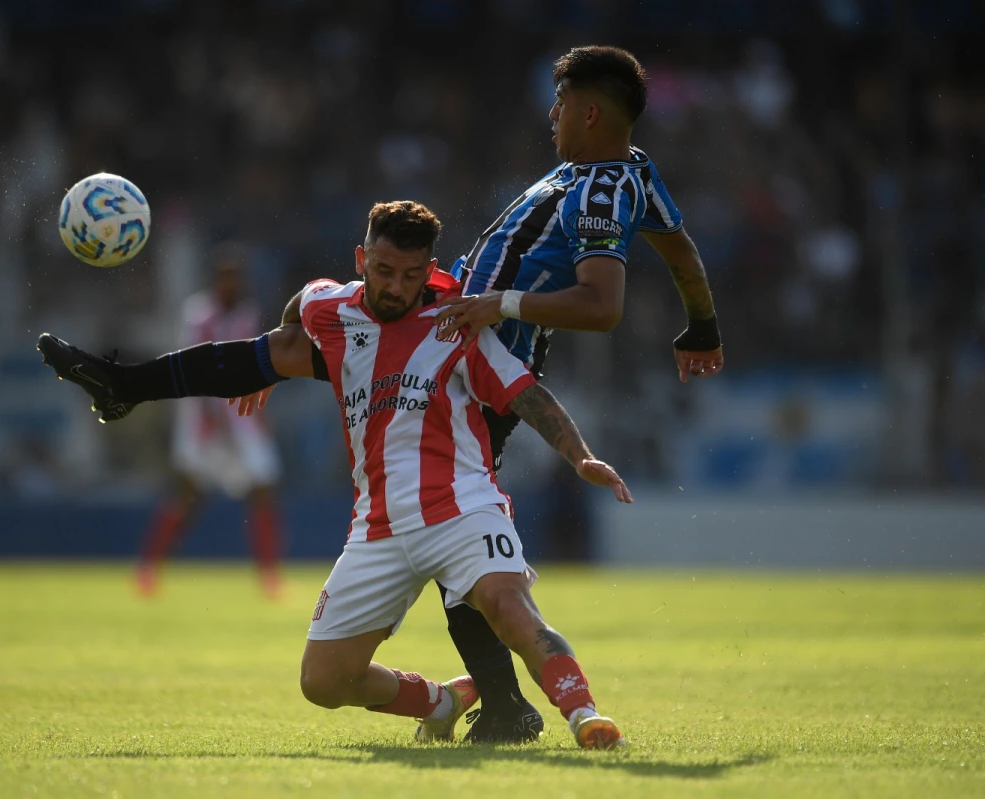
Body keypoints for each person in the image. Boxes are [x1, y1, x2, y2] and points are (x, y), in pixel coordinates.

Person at [40, 45, 726, 744]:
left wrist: (500, 307)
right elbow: (681, 250)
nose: (551, 115)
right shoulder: (625, 172)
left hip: (468, 347)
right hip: (434, 318)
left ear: (590, 113)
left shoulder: (601, 190)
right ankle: (125, 384)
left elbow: (602, 305)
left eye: (562, 104)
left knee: (452, 534)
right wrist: (701, 326)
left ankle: (505, 704)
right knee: (282, 354)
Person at [41, 201, 635, 749]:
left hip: (463, 511)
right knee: (323, 682)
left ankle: (584, 714)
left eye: (411, 275)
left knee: (509, 607)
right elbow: (300, 307)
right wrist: (271, 371)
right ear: (361, 260)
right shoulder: (333, 310)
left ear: (428, 270)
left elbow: (527, 395)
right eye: (384, 271)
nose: (396, 286)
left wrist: (579, 455)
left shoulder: (455, 322)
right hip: (378, 528)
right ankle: (441, 702)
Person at [138, 245, 283, 597]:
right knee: (188, 498)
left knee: (264, 491)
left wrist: (261, 418)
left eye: (236, 279)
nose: (232, 286)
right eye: (226, 279)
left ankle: (269, 577)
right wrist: (208, 414)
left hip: (243, 422)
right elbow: (192, 366)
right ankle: (150, 568)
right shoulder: (198, 316)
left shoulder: (247, 314)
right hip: (204, 426)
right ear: (216, 282)